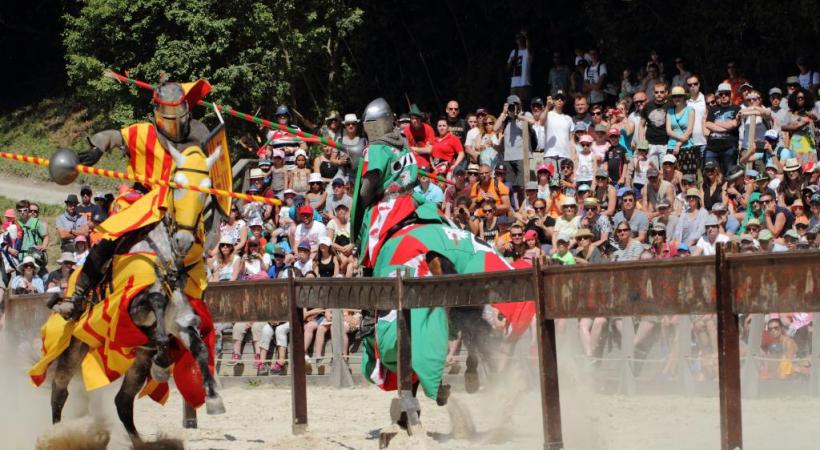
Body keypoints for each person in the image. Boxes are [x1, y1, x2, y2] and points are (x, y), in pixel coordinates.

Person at [705, 83, 742, 176]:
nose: (724, 96)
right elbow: (708, 124)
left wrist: (716, 123)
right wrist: (725, 128)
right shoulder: (713, 109)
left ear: (731, 94)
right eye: (721, 94)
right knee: (709, 175)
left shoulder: (737, 108)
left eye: (726, 93)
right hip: (712, 148)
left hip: (729, 148)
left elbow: (735, 124)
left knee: (730, 175)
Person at [781, 87, 817, 164]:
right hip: (796, 145)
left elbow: (816, 122)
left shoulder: (811, 112)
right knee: (797, 168)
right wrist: (796, 126)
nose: (800, 99)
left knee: (811, 168)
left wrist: (812, 118)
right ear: (794, 99)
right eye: (798, 98)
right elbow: (783, 127)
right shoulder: (790, 113)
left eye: (802, 98)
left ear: (806, 99)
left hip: (810, 144)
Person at [666, 86, 697, 175]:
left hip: (687, 146)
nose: (677, 98)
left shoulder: (690, 110)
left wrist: (678, 144)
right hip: (671, 147)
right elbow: (668, 131)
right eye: (674, 96)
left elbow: (689, 130)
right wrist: (682, 138)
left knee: (687, 176)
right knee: (671, 175)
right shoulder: (670, 111)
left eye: (679, 96)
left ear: (684, 97)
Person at [639, 81, 670, 169]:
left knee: (665, 171)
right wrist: (642, 144)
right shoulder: (647, 106)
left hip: (665, 144)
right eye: (656, 92)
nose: (659, 94)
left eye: (662, 92)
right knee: (652, 171)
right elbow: (641, 125)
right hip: (650, 144)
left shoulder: (670, 106)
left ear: (666, 92)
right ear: (653, 93)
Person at [507, 30, 532, 105]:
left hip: (524, 82)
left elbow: (529, 48)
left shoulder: (527, 51)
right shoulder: (513, 52)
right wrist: (511, 61)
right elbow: (507, 68)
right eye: (517, 38)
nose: (519, 40)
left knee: (523, 104)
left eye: (521, 37)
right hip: (514, 83)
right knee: (512, 104)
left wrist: (527, 37)